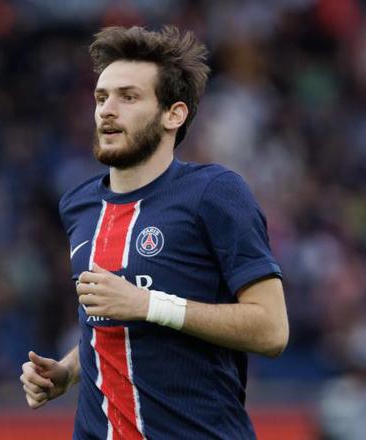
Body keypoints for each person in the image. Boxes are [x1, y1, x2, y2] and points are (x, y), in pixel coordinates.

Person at [20, 25, 289, 439]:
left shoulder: (214, 193)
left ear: (173, 114)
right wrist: (68, 370)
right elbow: (105, 318)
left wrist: (149, 304)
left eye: (128, 97)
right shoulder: (79, 205)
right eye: (101, 97)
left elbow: (272, 329)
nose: (107, 111)